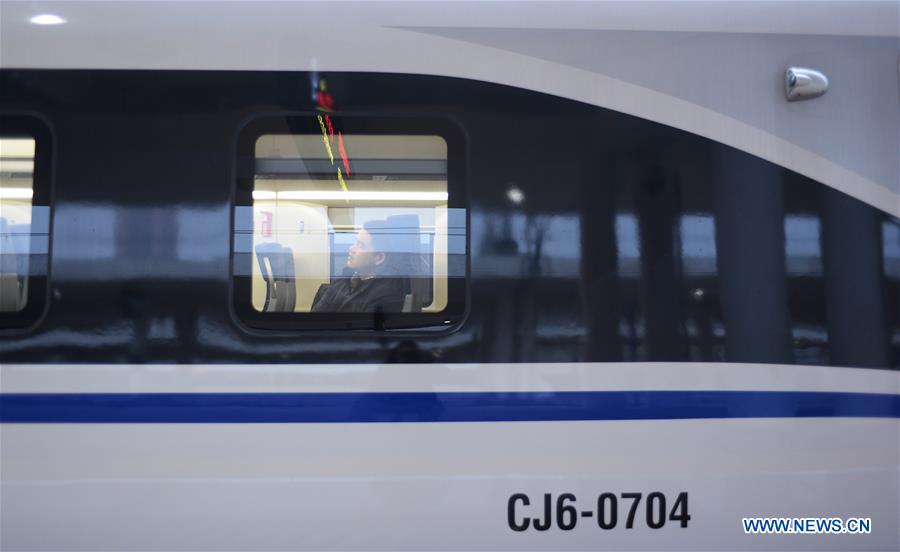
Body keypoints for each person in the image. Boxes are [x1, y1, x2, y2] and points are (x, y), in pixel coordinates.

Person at [311, 219, 408, 313]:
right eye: (355, 242)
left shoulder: (387, 294)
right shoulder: (345, 277)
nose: (351, 248)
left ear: (379, 258)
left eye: (360, 245)